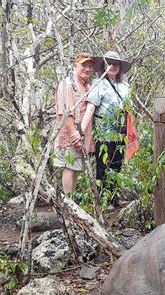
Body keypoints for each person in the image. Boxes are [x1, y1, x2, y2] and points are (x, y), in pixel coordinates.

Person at [72, 50, 132, 204]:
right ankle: (103, 200)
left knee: (117, 164)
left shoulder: (125, 86)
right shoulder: (99, 84)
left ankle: (114, 198)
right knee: (102, 167)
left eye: (116, 64)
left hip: (121, 132)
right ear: (104, 65)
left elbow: (129, 110)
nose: (113, 67)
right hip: (103, 133)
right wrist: (81, 131)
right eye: (109, 63)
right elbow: (91, 109)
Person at [54, 53, 95, 194]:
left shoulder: (86, 85)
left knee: (76, 168)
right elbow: (65, 112)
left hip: (81, 136)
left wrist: (81, 135)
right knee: (70, 167)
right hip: (70, 137)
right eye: (84, 65)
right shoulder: (68, 84)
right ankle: (67, 202)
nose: (87, 69)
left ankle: (72, 203)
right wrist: (74, 135)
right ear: (75, 65)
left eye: (90, 66)